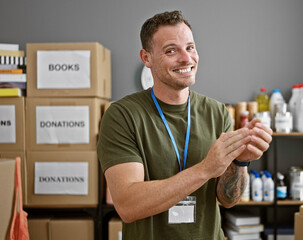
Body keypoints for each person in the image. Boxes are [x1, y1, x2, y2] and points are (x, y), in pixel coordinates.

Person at [97, 10, 272, 240]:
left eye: (190, 47)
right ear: (146, 58)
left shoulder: (217, 112)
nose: (186, 58)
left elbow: (228, 200)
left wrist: (241, 161)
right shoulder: (122, 116)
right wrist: (204, 169)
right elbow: (128, 206)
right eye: (171, 50)